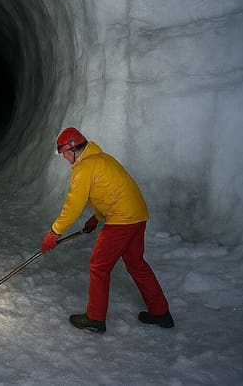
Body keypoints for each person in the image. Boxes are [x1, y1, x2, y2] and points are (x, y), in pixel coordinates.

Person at [41, 127, 174, 333]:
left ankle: (95, 318)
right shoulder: (102, 159)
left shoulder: (84, 167)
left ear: (73, 148)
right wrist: (97, 217)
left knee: (99, 266)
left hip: (122, 220)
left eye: (65, 153)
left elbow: (73, 205)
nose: (65, 158)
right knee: (137, 264)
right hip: (137, 215)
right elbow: (112, 191)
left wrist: (54, 232)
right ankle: (161, 312)